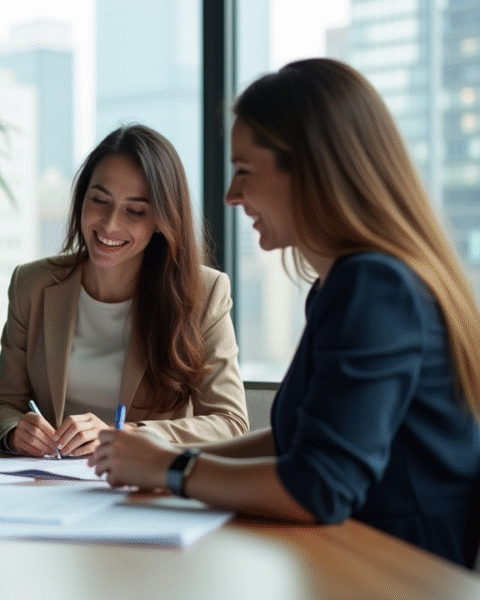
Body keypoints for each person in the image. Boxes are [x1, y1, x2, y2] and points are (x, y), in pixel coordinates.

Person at [90, 58, 480, 568]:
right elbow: (306, 440)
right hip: (349, 561)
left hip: (394, 573)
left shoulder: (374, 287)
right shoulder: (343, 285)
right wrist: (153, 456)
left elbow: (319, 485)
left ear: (314, 172)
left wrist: (172, 468)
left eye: (244, 172)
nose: (231, 196)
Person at [0, 124, 248, 458]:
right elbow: (3, 404)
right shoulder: (31, 284)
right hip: (51, 484)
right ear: (82, 198)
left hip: (146, 488)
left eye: (135, 210)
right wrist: (14, 431)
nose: (110, 225)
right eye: (100, 200)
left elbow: (230, 422)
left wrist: (123, 434)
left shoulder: (204, 292)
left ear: (162, 218)